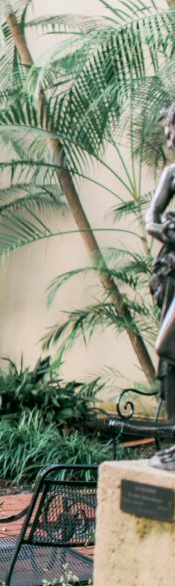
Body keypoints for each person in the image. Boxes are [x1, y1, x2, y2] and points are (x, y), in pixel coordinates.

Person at [143, 103, 175, 469]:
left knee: (169, 346)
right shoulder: (171, 174)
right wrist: (166, 231)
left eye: (172, 129)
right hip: (172, 271)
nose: (168, 137)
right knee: (169, 357)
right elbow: (150, 218)